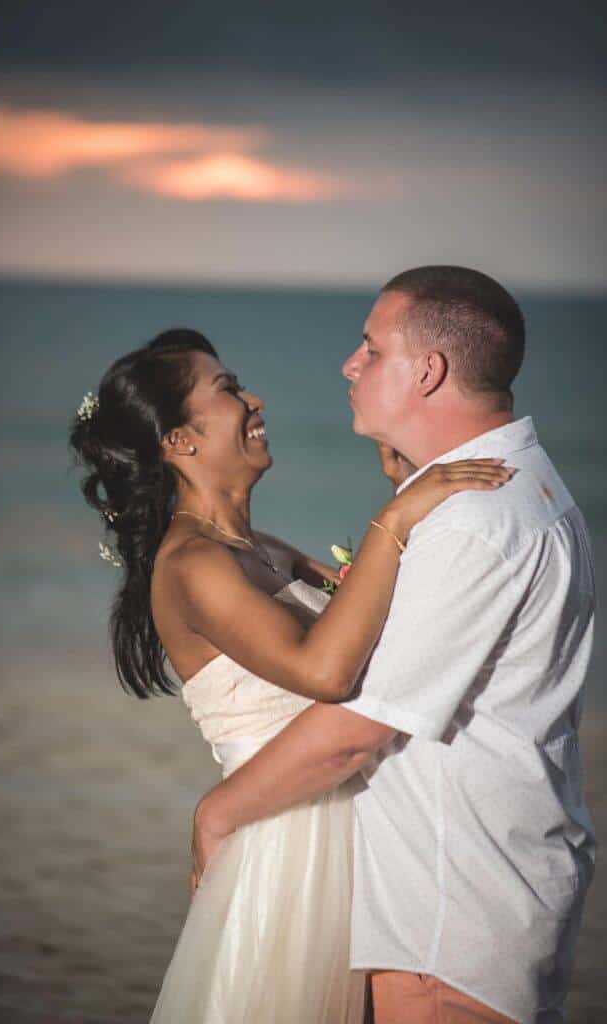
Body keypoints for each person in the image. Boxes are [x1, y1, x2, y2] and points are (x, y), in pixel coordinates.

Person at [68, 325, 511, 1023]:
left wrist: (409, 487)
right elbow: (327, 672)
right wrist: (395, 518)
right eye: (228, 390)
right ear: (180, 441)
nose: (254, 399)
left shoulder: (260, 549)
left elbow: (375, 638)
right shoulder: (192, 566)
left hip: (340, 826)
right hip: (285, 849)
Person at [192, 267, 596, 1024]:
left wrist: (216, 814)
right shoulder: (511, 488)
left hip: (451, 919)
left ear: (429, 371)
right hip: (482, 895)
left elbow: (355, 732)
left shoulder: (474, 521)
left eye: (371, 349)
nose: (350, 364)